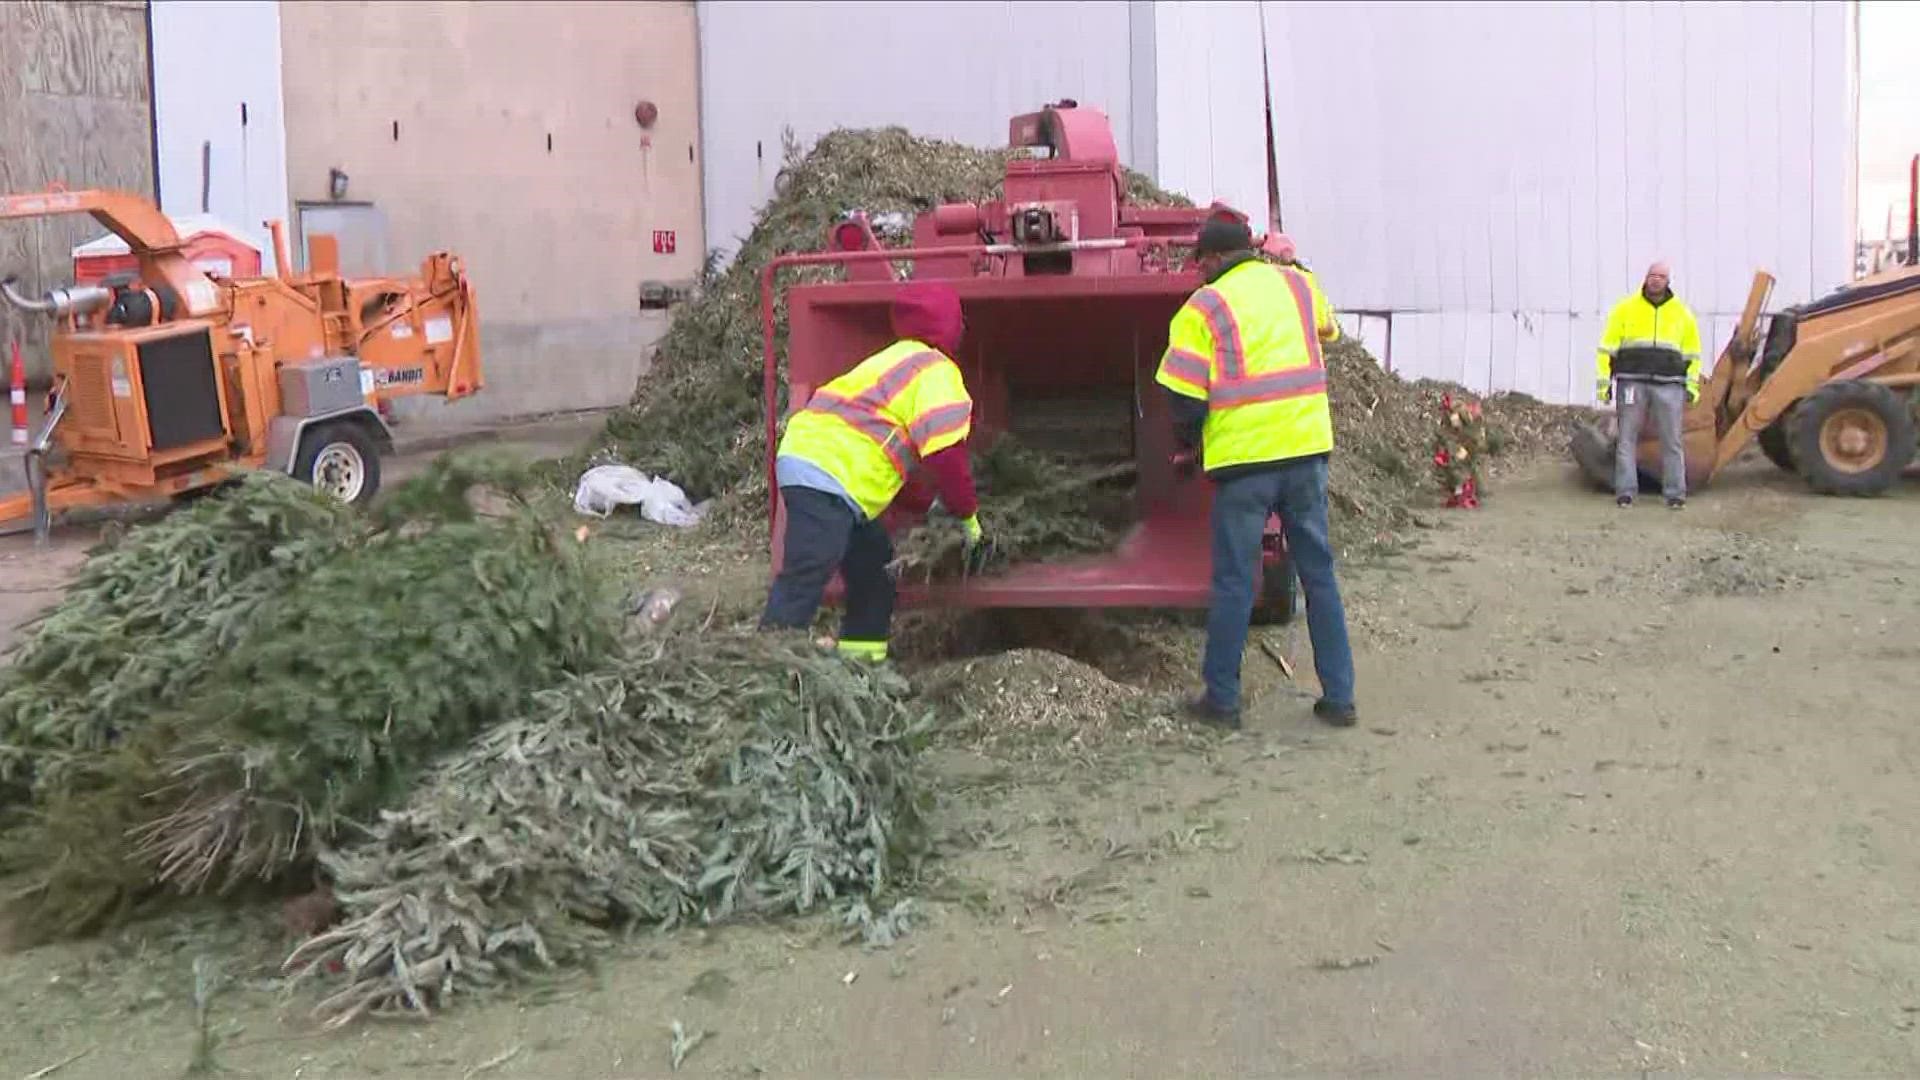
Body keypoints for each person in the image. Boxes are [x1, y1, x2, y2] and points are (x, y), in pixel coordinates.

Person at [1158, 217, 1358, 729]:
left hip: (1244, 465)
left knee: (1233, 583)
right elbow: (1329, 328)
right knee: (1319, 575)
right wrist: (1295, 262)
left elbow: (1181, 396)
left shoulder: (1203, 307)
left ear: (1215, 258)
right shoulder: (1296, 285)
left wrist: (1190, 444)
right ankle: (1339, 700)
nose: (1198, 270)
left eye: (1200, 261)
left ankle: (1221, 703)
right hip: (1306, 453)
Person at [759, 281, 991, 662]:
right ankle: (767, 664)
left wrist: (924, 503)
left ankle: (863, 666)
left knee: (875, 572)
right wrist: (967, 518)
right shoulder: (937, 372)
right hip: (827, 474)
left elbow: (889, 446)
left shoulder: (893, 357)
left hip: (822, 466)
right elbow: (947, 459)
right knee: (807, 573)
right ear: (952, 325)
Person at [1598, 260, 1702, 509]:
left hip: (1670, 385)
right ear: (1645, 278)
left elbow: (1693, 355)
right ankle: (1625, 492)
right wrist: (1604, 383)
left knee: (1672, 440)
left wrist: (1692, 387)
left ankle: (1675, 494)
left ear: (1668, 281)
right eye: (1652, 275)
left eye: (1661, 276)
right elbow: (1606, 349)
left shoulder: (1682, 313)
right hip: (1632, 382)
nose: (1656, 280)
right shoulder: (1624, 309)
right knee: (1627, 438)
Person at [1260, 232, 1341, 344]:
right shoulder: (1307, 276)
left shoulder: (1285, 279)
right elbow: (1331, 329)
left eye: (1267, 256)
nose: (1265, 260)